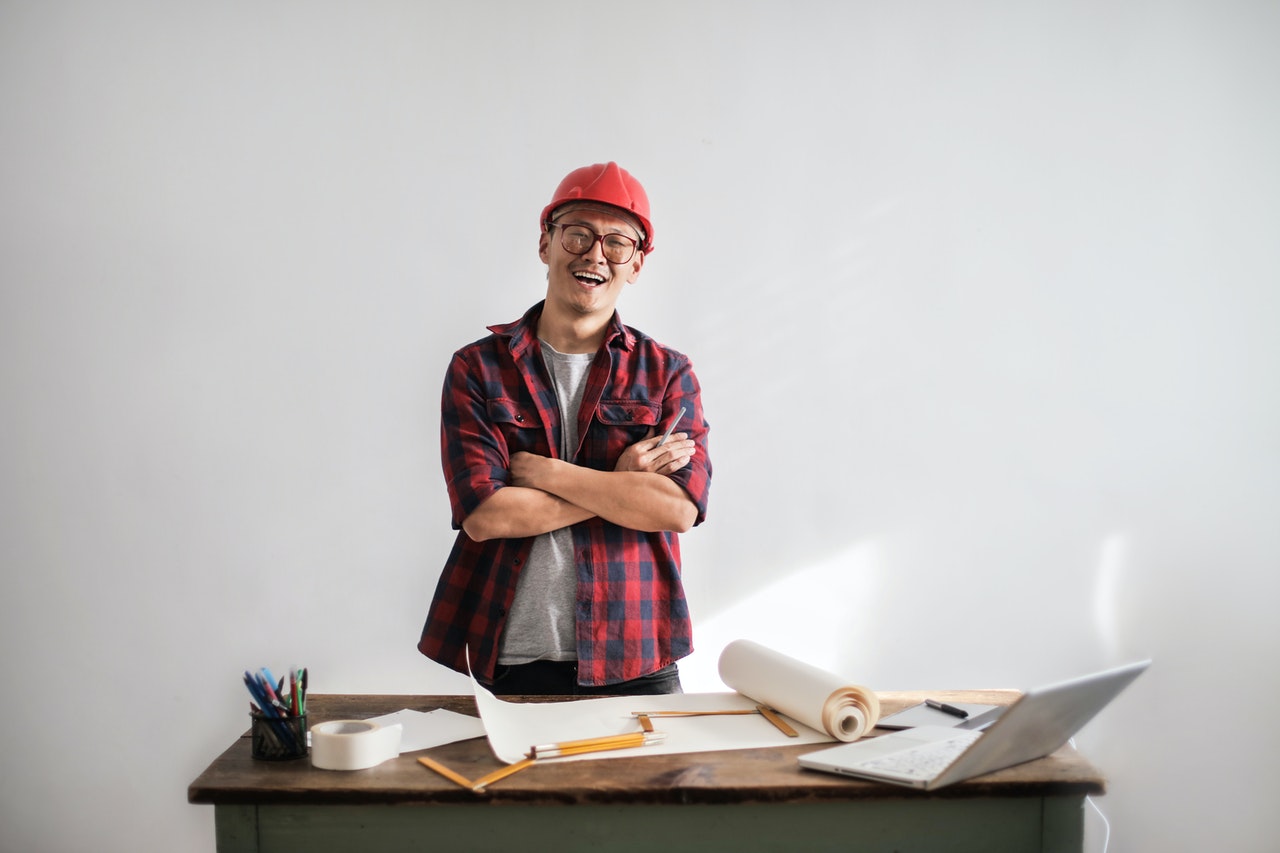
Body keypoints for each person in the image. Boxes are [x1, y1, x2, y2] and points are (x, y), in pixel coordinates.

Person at [417, 162, 712, 696]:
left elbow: (677, 510)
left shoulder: (668, 372)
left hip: (639, 657)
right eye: (578, 233)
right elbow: (486, 516)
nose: (595, 254)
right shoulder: (478, 369)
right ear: (545, 244)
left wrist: (550, 474)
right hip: (514, 659)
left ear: (637, 264)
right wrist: (622, 482)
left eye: (618, 243)